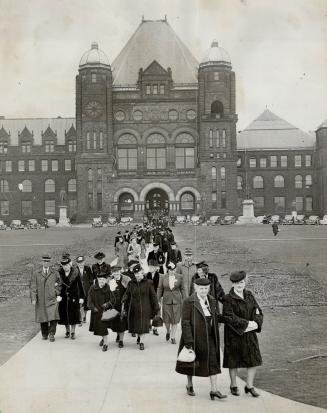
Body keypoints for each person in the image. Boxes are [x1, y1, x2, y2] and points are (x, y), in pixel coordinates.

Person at [175, 278, 227, 400]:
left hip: (210, 337)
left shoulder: (212, 301)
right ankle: (189, 385)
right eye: (201, 288)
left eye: (206, 288)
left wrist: (229, 319)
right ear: (196, 288)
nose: (204, 291)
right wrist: (188, 341)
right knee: (190, 362)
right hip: (194, 337)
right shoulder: (189, 302)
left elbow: (217, 317)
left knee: (213, 362)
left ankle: (214, 390)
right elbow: (185, 322)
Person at [222, 270, 263, 397]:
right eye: (237, 283)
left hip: (249, 335)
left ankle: (249, 386)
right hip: (234, 335)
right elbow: (229, 317)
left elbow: (257, 311)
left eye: (242, 282)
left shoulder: (249, 295)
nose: (240, 285)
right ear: (233, 284)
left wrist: (256, 323)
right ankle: (233, 385)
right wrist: (247, 324)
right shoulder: (228, 299)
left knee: (253, 359)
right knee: (233, 361)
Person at [122, 264, 160, 350]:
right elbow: (127, 293)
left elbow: (153, 296)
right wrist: (123, 300)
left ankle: (142, 342)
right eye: (135, 274)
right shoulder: (131, 283)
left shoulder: (148, 282)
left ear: (142, 272)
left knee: (143, 325)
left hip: (145, 307)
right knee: (137, 326)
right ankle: (139, 336)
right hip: (134, 308)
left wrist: (156, 308)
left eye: (138, 273)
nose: (137, 275)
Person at [30, 254, 62, 342]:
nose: (46, 263)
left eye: (48, 261)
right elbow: (33, 286)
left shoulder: (55, 273)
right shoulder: (36, 273)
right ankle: (44, 333)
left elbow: (59, 284)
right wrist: (33, 298)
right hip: (40, 299)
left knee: (53, 317)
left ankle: (52, 334)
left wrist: (56, 292)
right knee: (43, 316)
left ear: (50, 262)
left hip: (52, 299)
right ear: (42, 262)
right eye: (44, 261)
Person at [157, 261, 185, 344]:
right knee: (166, 320)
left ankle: (173, 337)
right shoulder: (163, 277)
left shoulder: (180, 277)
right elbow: (160, 289)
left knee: (175, 319)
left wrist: (185, 299)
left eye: (174, 270)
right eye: (170, 270)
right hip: (166, 300)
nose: (172, 271)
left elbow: (182, 288)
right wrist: (158, 300)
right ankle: (168, 331)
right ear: (168, 270)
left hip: (177, 300)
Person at [58, 256, 85, 339]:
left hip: (74, 297)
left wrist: (82, 297)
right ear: (62, 266)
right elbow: (57, 285)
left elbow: (80, 285)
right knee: (64, 314)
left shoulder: (75, 272)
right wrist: (58, 295)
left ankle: (73, 332)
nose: (65, 267)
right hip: (63, 297)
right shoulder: (59, 273)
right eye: (63, 266)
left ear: (70, 265)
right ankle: (67, 331)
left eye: (66, 265)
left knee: (73, 315)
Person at [103, 266, 129, 348]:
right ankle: (104, 339)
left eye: (117, 271)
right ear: (112, 273)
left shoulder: (126, 279)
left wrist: (125, 298)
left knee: (121, 323)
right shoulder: (109, 281)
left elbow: (129, 291)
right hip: (112, 305)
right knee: (109, 323)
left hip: (122, 305)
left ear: (120, 271)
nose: (116, 273)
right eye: (114, 272)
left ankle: (121, 340)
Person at [88, 273, 111, 351]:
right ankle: (103, 339)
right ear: (97, 280)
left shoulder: (108, 288)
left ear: (106, 280)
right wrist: (93, 308)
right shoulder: (92, 288)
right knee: (100, 327)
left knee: (103, 327)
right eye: (100, 279)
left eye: (103, 279)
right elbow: (89, 300)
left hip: (106, 311)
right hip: (96, 311)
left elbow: (113, 299)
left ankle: (106, 344)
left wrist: (107, 304)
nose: (101, 281)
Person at [75, 255, 94, 324]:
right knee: (80, 304)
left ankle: (84, 316)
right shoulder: (75, 269)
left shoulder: (87, 268)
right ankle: (80, 318)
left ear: (84, 262)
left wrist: (90, 286)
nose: (80, 264)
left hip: (86, 289)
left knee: (85, 304)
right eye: (79, 263)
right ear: (77, 263)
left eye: (82, 262)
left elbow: (91, 278)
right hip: (78, 290)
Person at [146, 258, 161, 335]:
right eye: (149, 266)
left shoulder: (160, 276)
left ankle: (155, 328)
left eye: (152, 267)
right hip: (148, 296)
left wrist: (159, 299)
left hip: (156, 296)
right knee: (148, 310)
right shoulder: (146, 275)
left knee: (157, 312)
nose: (150, 268)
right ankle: (148, 325)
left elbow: (160, 288)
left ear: (156, 268)